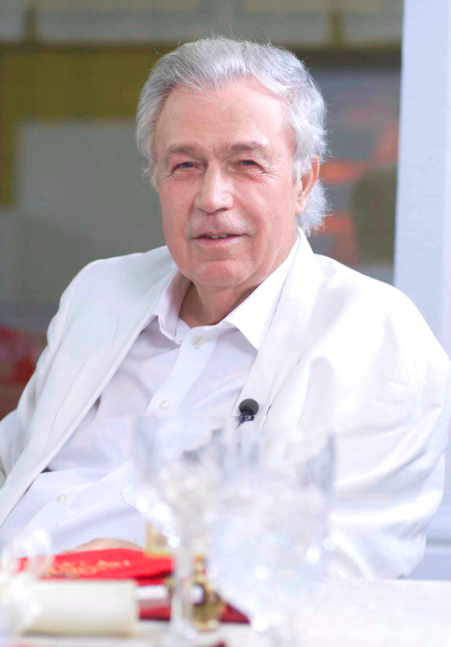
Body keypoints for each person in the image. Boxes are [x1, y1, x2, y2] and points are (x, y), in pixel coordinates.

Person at [0, 37, 449, 578]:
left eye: (246, 163)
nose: (212, 197)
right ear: (157, 179)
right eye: (186, 165)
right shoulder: (100, 291)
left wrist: (115, 576)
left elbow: (334, 570)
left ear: (304, 181)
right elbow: (14, 461)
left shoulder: (375, 336)